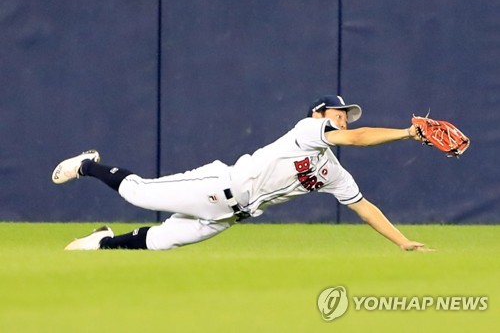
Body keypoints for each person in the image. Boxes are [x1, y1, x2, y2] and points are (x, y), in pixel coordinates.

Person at [53, 95, 433, 252]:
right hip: (219, 187)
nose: (344, 118)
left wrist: (402, 242)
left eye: (346, 116)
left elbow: (364, 207)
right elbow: (359, 139)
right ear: (319, 115)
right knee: (137, 192)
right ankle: (87, 164)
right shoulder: (306, 130)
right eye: (338, 113)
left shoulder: (332, 172)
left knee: (160, 241)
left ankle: (99, 243)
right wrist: (405, 132)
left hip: (230, 217)